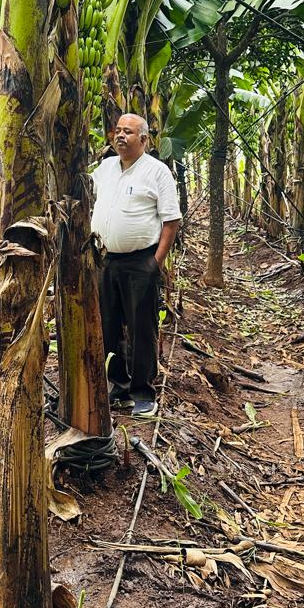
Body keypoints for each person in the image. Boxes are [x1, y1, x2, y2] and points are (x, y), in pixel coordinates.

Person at [91, 114, 181, 419]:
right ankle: (119, 387)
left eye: (127, 132)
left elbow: (171, 220)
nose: (120, 136)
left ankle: (143, 393)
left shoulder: (157, 172)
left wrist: (155, 263)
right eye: (117, 131)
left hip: (141, 260)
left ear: (144, 139)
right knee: (110, 325)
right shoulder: (104, 169)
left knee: (142, 327)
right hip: (108, 260)